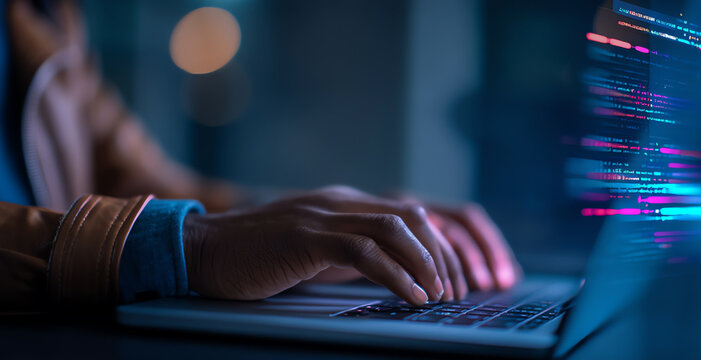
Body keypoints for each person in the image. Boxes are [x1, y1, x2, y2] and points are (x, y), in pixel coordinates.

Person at [0, 0, 520, 311]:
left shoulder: (47, 14)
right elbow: (174, 225)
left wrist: (329, 228)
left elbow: (138, 174)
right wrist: (188, 246)